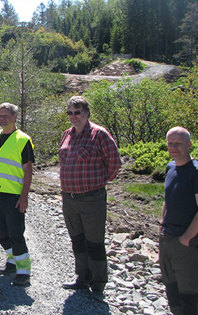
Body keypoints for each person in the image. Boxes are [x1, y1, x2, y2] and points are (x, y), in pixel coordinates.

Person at [58, 95, 121, 301]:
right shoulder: (67, 134)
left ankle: (98, 284)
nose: (74, 116)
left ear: (87, 113)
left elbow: (114, 163)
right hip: (69, 198)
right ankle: (82, 278)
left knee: (94, 242)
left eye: (78, 112)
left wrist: (98, 183)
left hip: (92, 198)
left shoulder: (99, 134)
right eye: (70, 112)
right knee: (77, 240)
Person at [159, 126, 198, 315]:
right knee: (171, 284)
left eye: (178, 144)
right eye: (170, 144)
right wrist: (161, 224)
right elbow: (168, 198)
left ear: (189, 144)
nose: (173, 148)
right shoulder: (171, 166)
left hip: (186, 241)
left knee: (189, 290)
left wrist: (186, 238)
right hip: (167, 236)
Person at [0, 102, 34, 286]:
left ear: (15, 117)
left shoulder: (23, 140)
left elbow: (28, 170)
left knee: (16, 233)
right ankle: (12, 261)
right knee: (2, 233)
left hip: (14, 195)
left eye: (6, 116)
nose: (2, 119)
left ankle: (24, 270)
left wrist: (24, 197)